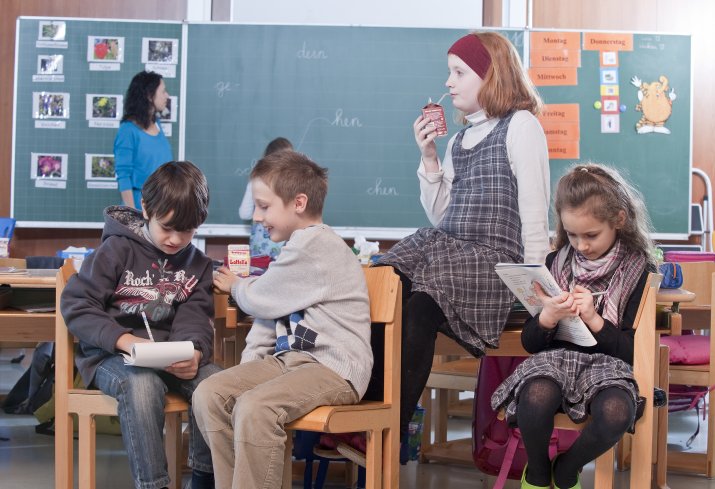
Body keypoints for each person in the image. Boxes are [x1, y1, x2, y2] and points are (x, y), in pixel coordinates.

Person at [376, 30, 551, 458]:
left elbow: (534, 214)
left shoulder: (521, 126)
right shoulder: (458, 140)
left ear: (490, 76)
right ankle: (367, 407)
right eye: (449, 73)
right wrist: (430, 159)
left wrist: (536, 294)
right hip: (453, 253)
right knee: (384, 281)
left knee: (421, 306)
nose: (448, 82)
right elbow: (443, 219)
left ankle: (389, 431)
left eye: (459, 72)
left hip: (493, 263)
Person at [193, 150, 372, 489]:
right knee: (210, 394)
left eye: (264, 206)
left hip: (334, 368)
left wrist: (237, 286)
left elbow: (259, 298)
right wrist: (247, 371)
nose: (257, 216)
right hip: (291, 363)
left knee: (256, 408)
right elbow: (268, 313)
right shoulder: (294, 248)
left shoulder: (316, 245)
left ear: (298, 203)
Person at [491, 163, 656, 489]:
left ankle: (567, 469)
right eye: (572, 234)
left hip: (610, 367)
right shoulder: (554, 263)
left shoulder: (640, 270)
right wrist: (548, 317)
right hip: (554, 362)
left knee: (616, 412)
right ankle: (538, 474)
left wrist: (595, 320)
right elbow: (530, 343)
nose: (581, 245)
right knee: (535, 397)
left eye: (591, 235)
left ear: (619, 220)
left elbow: (634, 352)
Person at [60, 161, 221, 489]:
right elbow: (77, 306)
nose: (175, 239)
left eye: (187, 231)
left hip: (169, 360)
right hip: (112, 358)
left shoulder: (198, 265)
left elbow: (195, 318)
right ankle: (153, 485)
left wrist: (194, 352)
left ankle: (204, 479)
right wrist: (125, 341)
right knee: (143, 385)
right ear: (146, 209)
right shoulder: (115, 250)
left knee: (214, 383)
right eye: (167, 227)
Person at [114, 71, 173, 210]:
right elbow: (124, 176)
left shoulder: (157, 124)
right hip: (140, 209)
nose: (167, 96)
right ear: (149, 95)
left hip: (161, 207)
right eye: (163, 91)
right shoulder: (127, 130)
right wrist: (133, 216)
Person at [238, 137, 294, 261]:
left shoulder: (256, 181)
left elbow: (244, 213)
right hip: (285, 250)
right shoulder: (293, 184)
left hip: (259, 251)